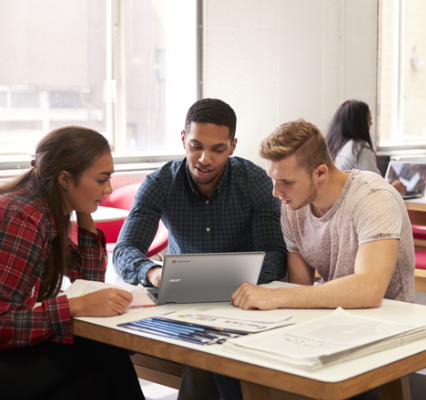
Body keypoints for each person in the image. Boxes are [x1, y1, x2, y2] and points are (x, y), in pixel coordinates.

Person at [112, 98, 287, 400]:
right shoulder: (161, 183)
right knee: (201, 356)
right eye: (196, 146)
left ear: (232, 146)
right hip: (184, 303)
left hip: (243, 299)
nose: (205, 158)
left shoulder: (254, 181)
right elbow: (125, 249)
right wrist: (153, 272)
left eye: (217, 149)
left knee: (211, 356)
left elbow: (275, 254)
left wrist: (233, 278)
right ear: (183, 139)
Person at [0, 127, 144, 400]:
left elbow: (88, 280)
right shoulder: (22, 217)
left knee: (93, 385)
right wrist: (73, 307)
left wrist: (84, 209)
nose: (109, 188)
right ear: (65, 178)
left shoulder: (48, 209)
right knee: (108, 352)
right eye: (101, 180)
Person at [232, 118, 415, 310]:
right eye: (273, 180)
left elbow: (370, 290)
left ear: (320, 173)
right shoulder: (293, 205)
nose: (275, 192)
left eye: (287, 181)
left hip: (390, 322)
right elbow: (299, 289)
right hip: (332, 317)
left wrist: (276, 296)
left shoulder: (374, 197)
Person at [326, 100, 406, 193]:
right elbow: (375, 186)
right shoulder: (359, 148)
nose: (371, 124)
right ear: (359, 124)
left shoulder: (336, 146)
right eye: (369, 120)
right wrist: (394, 187)